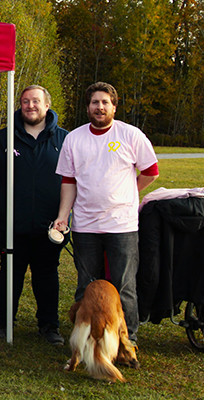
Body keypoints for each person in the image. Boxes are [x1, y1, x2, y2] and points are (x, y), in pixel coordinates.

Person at [53, 82, 159, 342]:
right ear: (87, 107)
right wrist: (62, 216)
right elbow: (69, 181)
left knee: (124, 286)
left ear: (114, 105)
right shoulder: (74, 139)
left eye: (104, 102)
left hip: (121, 226)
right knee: (86, 286)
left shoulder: (131, 135)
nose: (99, 107)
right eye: (94, 103)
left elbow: (151, 171)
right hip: (85, 226)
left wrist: (129, 191)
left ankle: (126, 339)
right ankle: (86, 336)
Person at [0, 85, 68, 345]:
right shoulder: (5, 138)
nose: (30, 106)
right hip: (11, 225)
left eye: (36, 101)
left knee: (47, 275)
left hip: (50, 226)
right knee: (10, 273)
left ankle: (49, 326)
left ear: (47, 105)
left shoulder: (64, 139)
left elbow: (76, 179)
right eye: (25, 101)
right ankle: (3, 324)